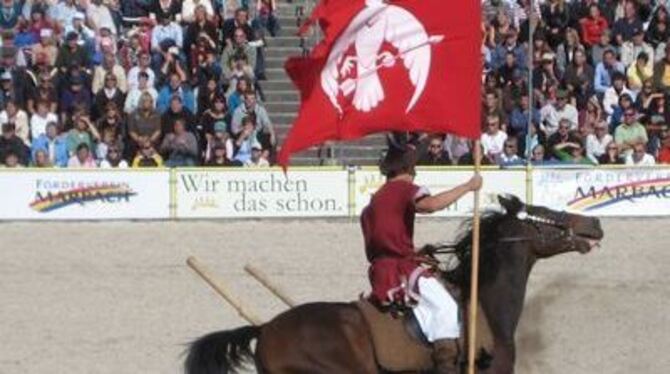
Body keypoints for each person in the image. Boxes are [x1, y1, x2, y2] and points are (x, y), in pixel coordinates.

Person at [360, 145, 482, 373]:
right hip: (400, 271)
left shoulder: (374, 201)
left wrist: (413, 251)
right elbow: (431, 205)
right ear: (406, 169)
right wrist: (468, 186)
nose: (414, 174)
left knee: (426, 311)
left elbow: (384, 242)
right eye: (413, 169)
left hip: (381, 271)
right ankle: (446, 367)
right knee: (445, 306)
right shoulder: (402, 189)